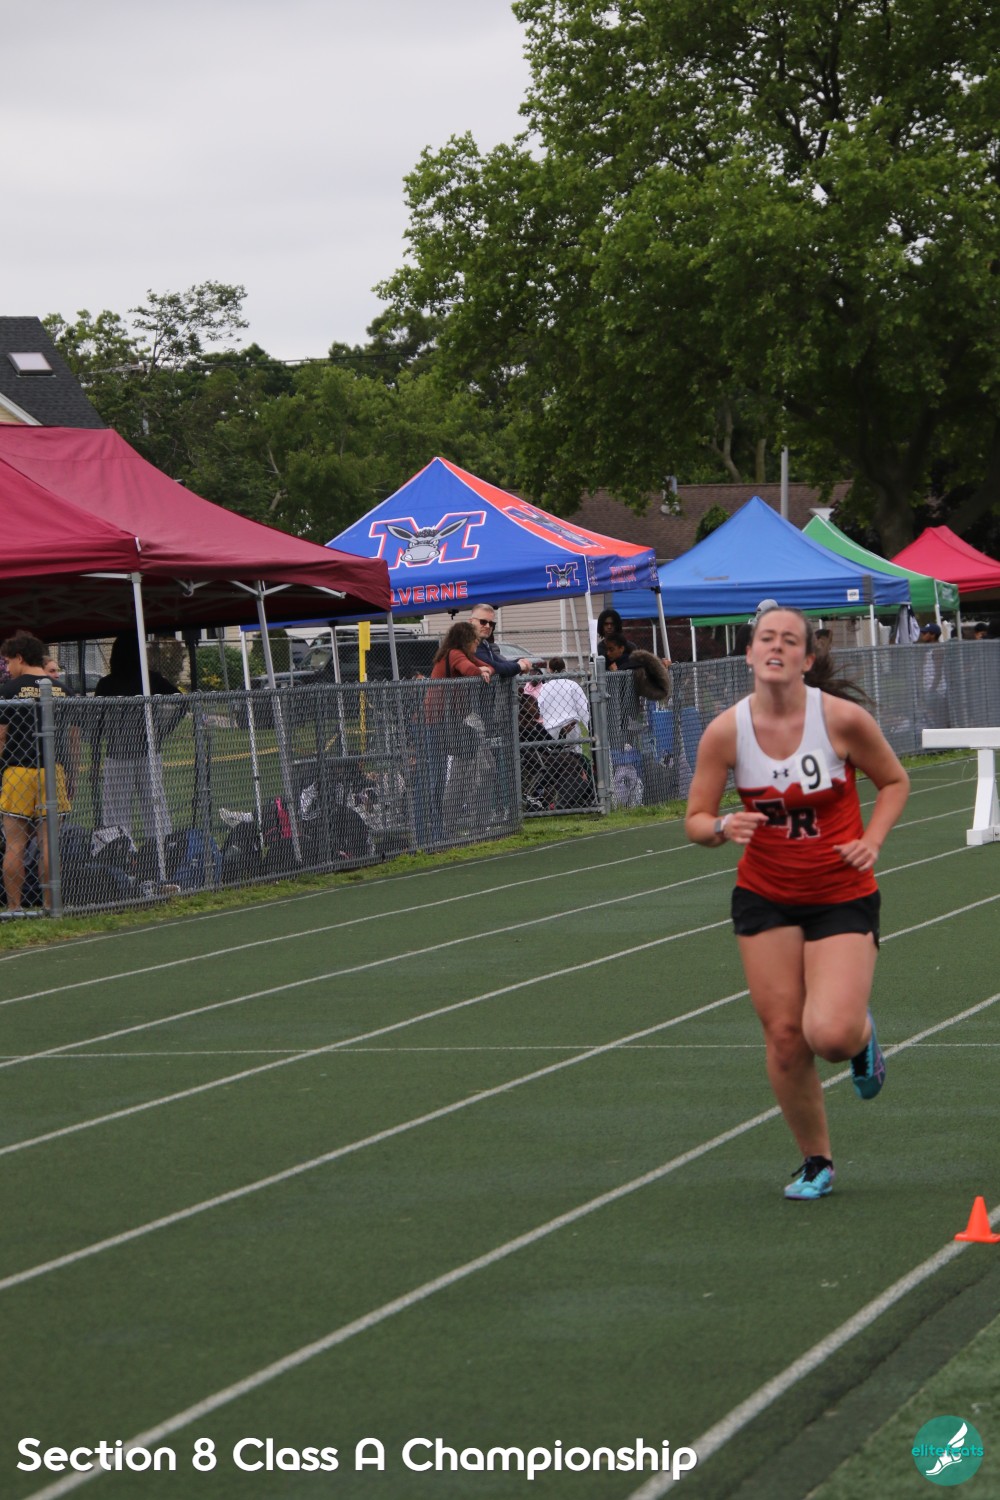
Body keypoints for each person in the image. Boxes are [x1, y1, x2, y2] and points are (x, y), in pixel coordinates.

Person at [685, 604, 910, 1201]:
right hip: (766, 895)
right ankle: (816, 1160)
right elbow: (696, 819)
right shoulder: (726, 731)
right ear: (750, 654)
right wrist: (721, 826)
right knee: (786, 1036)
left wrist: (872, 840)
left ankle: (861, 1038)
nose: (776, 646)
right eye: (767, 638)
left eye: (790, 640)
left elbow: (894, 782)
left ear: (807, 659)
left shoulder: (841, 719)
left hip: (840, 893)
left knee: (829, 1035)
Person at [0, 631, 78, 915]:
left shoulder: (9, 690)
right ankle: (49, 904)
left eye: (9, 662)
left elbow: (1, 736)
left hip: (18, 771)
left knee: (15, 844)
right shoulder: (63, 690)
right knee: (49, 843)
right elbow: (73, 738)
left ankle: (14, 906)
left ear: (20, 658)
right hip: (52, 770)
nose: (8, 668)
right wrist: (71, 773)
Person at [93, 632, 183, 843]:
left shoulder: (107, 684)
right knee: (154, 806)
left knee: (117, 810)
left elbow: (97, 723)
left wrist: (161, 731)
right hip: (143, 751)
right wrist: (162, 732)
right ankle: (159, 847)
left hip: (122, 752)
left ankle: (119, 847)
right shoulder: (150, 679)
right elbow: (181, 700)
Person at [427, 622, 495, 835]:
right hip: (445, 722)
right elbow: (471, 670)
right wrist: (480, 670)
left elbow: (488, 666)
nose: (477, 644)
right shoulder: (455, 654)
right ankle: (457, 824)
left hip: (457, 721)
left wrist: (484, 669)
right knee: (466, 772)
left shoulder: (460, 654)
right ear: (466, 640)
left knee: (482, 768)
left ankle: (469, 822)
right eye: (475, 640)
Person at [468, 604, 532, 675]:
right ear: (471, 622)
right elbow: (495, 667)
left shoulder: (484, 643)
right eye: (483, 622)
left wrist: (519, 661)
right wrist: (519, 666)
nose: (488, 626)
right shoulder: (468, 643)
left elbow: (499, 662)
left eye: (491, 623)